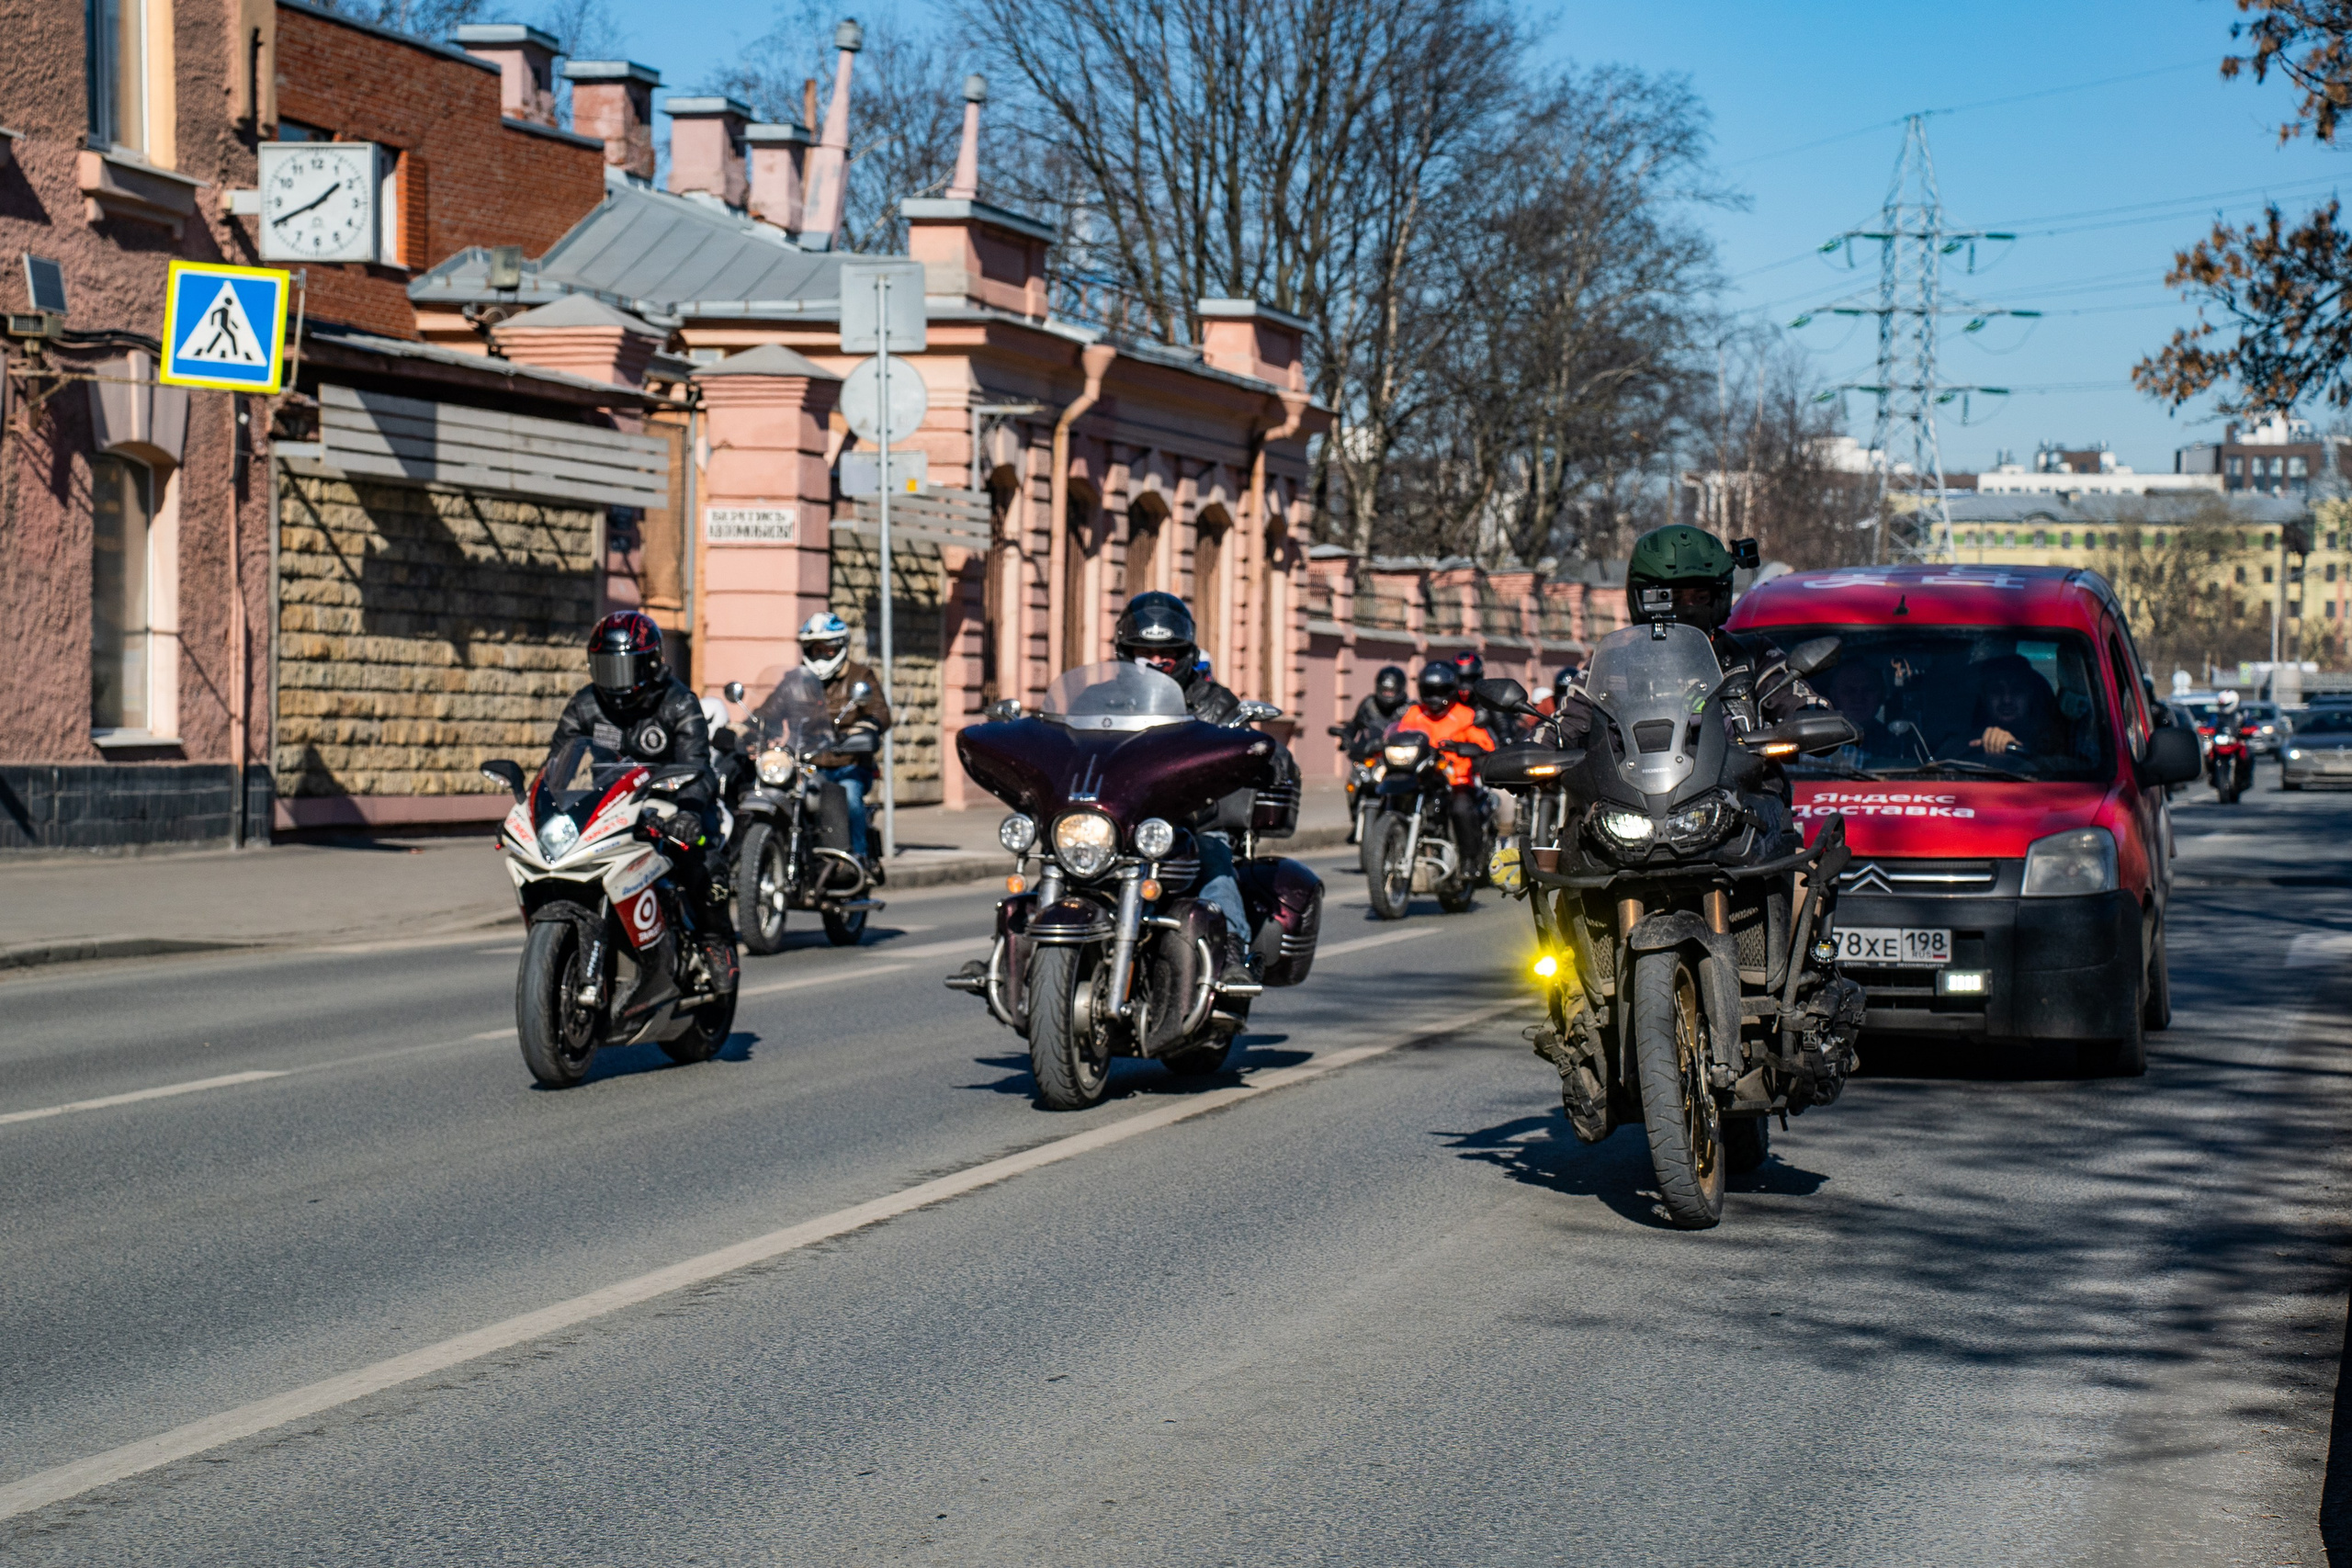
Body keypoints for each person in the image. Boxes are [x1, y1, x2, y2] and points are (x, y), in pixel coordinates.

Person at [547, 611, 731, 938]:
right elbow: (557, 766)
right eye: (605, 668)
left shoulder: (679, 703)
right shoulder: (585, 705)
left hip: (674, 803)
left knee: (702, 870)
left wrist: (689, 812)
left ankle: (716, 946)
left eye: (622, 669)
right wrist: (538, 811)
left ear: (651, 665)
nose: (613, 681)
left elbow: (699, 766)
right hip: (609, 806)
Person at [1112, 591, 1259, 989]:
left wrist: (1264, 754)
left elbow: (1246, 740)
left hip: (1190, 820)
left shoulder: (1213, 701)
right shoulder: (1103, 696)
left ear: (1186, 655)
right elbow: (1066, 735)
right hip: (1119, 818)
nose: (1156, 663)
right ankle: (1021, 946)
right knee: (1068, 859)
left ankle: (1231, 952)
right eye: (1144, 654)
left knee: (1213, 860)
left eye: (1167, 656)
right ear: (1125, 652)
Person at [797, 611, 893, 874]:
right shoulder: (798, 679)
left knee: (850, 797)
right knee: (792, 796)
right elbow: (770, 708)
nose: (820, 655)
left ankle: (858, 859)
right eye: (815, 648)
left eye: (828, 649)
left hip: (849, 764)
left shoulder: (861, 676)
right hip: (810, 764)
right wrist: (745, 728)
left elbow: (880, 712)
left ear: (840, 647)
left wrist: (866, 728)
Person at [1385, 660, 1497, 876]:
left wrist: (1461, 747)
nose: (1435, 697)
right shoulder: (1413, 713)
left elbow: (1486, 746)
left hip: (1456, 781)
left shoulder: (1464, 715)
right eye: (1429, 691)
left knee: (1461, 809)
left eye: (1441, 691)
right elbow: (1398, 733)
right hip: (1421, 777)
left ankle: (1469, 860)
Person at [1966, 654, 2066, 761]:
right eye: (1996, 690)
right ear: (1984, 696)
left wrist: (2017, 750)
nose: (2006, 700)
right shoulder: (1962, 743)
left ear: (2030, 695)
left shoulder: (2052, 743)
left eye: (2017, 690)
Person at [1342, 665, 1409, 754]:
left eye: (1391, 691)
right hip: (1369, 756)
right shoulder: (1369, 704)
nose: (1388, 694)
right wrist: (1347, 735)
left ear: (1400, 689)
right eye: (1385, 691)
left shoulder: (1409, 708)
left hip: (1399, 756)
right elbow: (1354, 724)